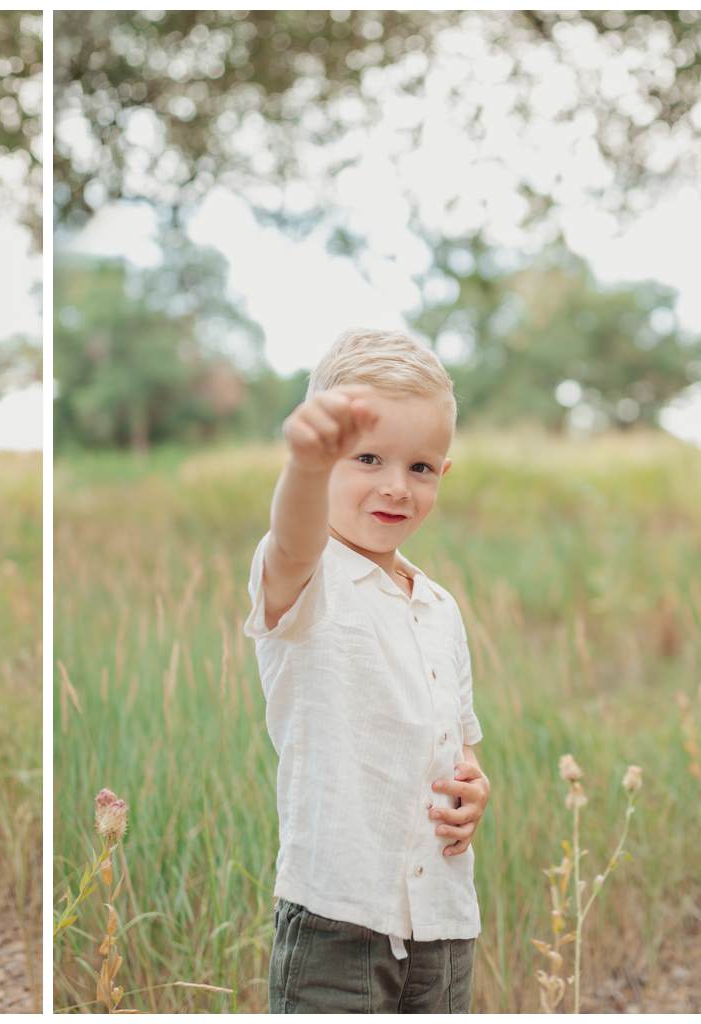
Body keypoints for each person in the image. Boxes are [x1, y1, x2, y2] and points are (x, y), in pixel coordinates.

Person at [244, 328, 492, 1012]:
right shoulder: (309, 580)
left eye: (418, 468)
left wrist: (472, 787)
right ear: (325, 463)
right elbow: (292, 540)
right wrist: (303, 466)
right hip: (337, 920)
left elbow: (457, 745)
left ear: (442, 475)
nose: (394, 486)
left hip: (442, 920)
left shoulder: (439, 608)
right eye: (367, 459)